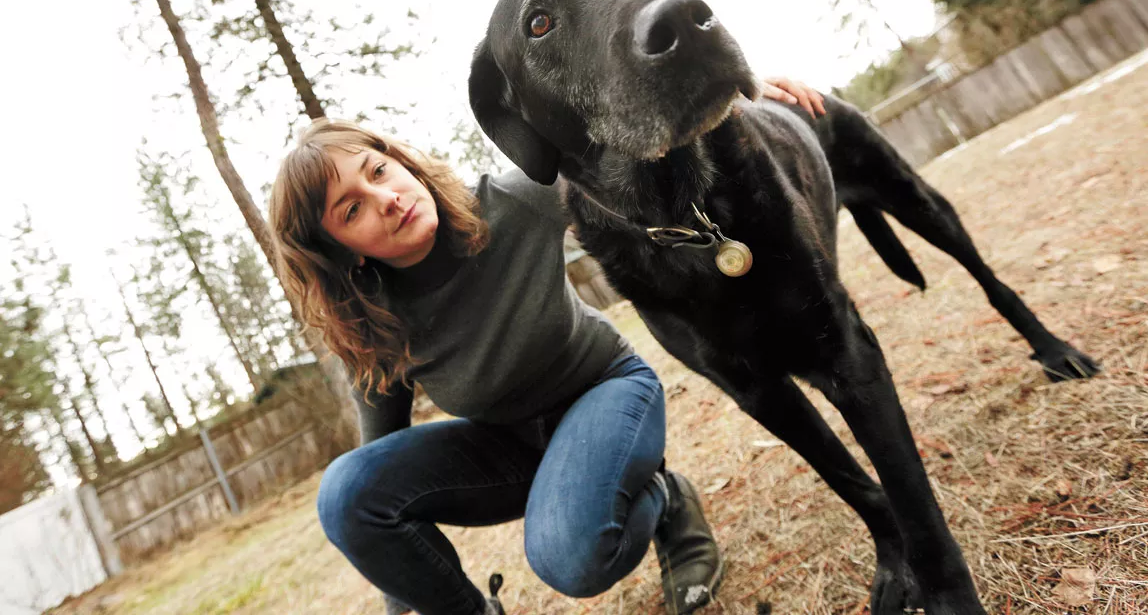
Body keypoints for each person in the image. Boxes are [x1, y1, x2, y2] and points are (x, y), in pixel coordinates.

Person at [267, 81, 824, 615]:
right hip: (507, 445)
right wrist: (404, 600)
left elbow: (625, 149)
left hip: (605, 391)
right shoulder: (375, 326)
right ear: (343, 256)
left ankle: (666, 496)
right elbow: (376, 473)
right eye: (351, 210)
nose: (386, 199)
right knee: (345, 492)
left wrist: (728, 99)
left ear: (401, 162)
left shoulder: (512, 202)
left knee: (571, 559)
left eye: (379, 170)